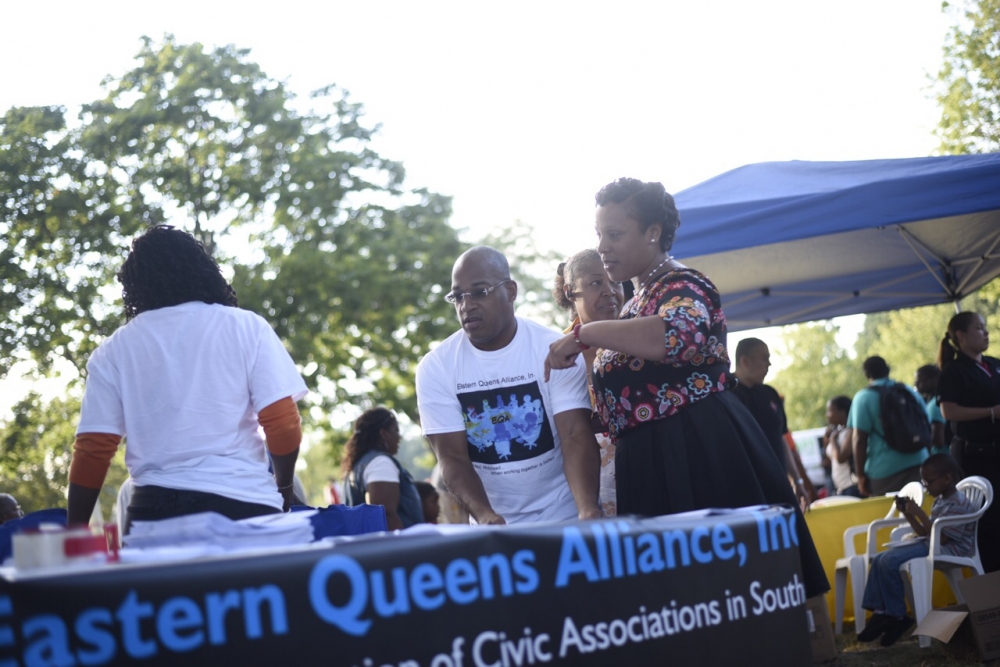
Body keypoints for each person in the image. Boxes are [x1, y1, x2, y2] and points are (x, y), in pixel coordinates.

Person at [543, 177, 829, 599]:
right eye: (599, 234)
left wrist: (586, 334)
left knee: (723, 592)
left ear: (653, 233)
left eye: (615, 234)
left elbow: (681, 333)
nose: (602, 246)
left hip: (695, 454)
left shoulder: (682, 284)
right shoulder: (638, 299)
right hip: (652, 460)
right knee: (683, 601)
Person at [67, 225, 308, 529]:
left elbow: (94, 448)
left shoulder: (113, 350)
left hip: (153, 513)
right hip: (244, 505)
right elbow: (282, 422)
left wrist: (73, 529)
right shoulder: (246, 326)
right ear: (203, 270)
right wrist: (284, 487)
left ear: (134, 285)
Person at [416, 246, 602, 525]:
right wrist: (486, 516)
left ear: (511, 291)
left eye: (479, 292)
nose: (466, 305)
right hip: (494, 529)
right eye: (457, 297)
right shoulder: (436, 367)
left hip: (565, 515)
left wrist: (587, 508)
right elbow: (452, 457)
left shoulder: (552, 350)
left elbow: (574, 435)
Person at [857, 453, 976, 646]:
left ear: (948, 478)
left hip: (949, 549)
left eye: (929, 481)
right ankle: (881, 612)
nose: (926, 486)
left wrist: (919, 512)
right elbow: (925, 532)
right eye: (923, 481)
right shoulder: (940, 501)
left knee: (889, 561)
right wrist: (909, 514)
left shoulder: (959, 503)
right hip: (932, 545)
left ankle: (896, 614)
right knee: (880, 558)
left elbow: (943, 538)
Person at [553, 248, 625, 516]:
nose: (609, 291)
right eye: (596, 283)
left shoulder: (642, 340)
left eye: (615, 282)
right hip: (581, 499)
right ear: (571, 291)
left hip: (644, 480)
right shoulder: (554, 355)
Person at [937, 311, 1000, 573]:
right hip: (975, 455)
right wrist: (991, 412)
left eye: (985, 328)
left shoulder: (994, 363)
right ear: (961, 336)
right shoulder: (954, 371)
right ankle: (991, 588)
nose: (985, 333)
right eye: (979, 328)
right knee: (989, 522)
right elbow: (948, 411)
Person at [731, 338, 812, 507]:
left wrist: (797, 481)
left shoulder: (770, 394)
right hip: (746, 491)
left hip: (778, 485)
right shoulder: (727, 395)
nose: (769, 364)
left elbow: (782, 438)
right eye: (764, 358)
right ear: (745, 361)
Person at [848, 356, 928, 497]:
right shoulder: (908, 391)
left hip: (884, 471)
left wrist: (860, 475)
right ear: (887, 369)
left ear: (867, 374)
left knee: (890, 516)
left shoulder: (863, 398)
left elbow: (859, 439)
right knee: (922, 512)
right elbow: (926, 424)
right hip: (920, 461)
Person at [342, 407, 423, 530]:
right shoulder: (380, 463)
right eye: (396, 431)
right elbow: (386, 514)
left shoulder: (359, 464)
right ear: (384, 433)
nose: (399, 437)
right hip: (399, 547)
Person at [824, 396, 859, 497]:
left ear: (842, 412)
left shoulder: (851, 431)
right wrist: (827, 439)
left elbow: (840, 457)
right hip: (840, 488)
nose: (827, 415)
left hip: (851, 486)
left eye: (830, 411)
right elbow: (828, 460)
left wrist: (833, 440)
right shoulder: (837, 432)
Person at [915, 364, 948, 454]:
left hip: (940, 459)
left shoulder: (935, 405)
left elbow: (937, 440)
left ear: (933, 380)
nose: (916, 383)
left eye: (919, 380)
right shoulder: (933, 402)